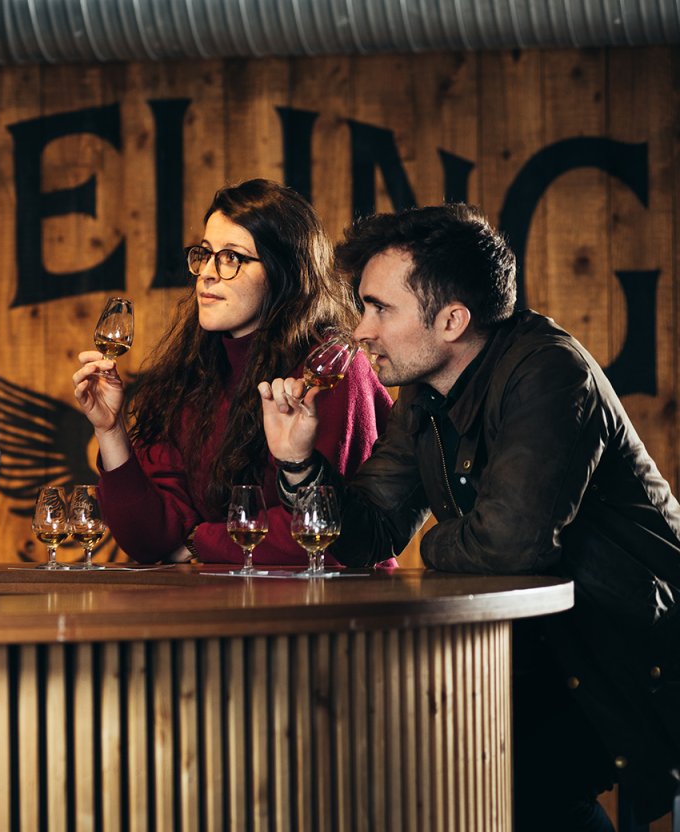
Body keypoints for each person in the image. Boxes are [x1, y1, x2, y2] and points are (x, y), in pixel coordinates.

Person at [259, 203, 680, 828]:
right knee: (402, 762)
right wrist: (297, 462)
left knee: (517, 786)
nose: (361, 330)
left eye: (380, 308)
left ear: (452, 319)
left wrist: (430, 544)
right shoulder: (425, 394)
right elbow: (371, 527)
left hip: (627, 655)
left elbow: (510, 546)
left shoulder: (549, 372)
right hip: (537, 651)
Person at [72, 178, 393, 565]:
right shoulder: (194, 371)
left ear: (282, 271)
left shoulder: (332, 370)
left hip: (332, 611)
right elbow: (149, 539)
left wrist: (199, 542)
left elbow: (322, 533)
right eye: (204, 254)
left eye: (231, 258)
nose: (206, 272)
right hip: (227, 605)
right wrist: (110, 430)